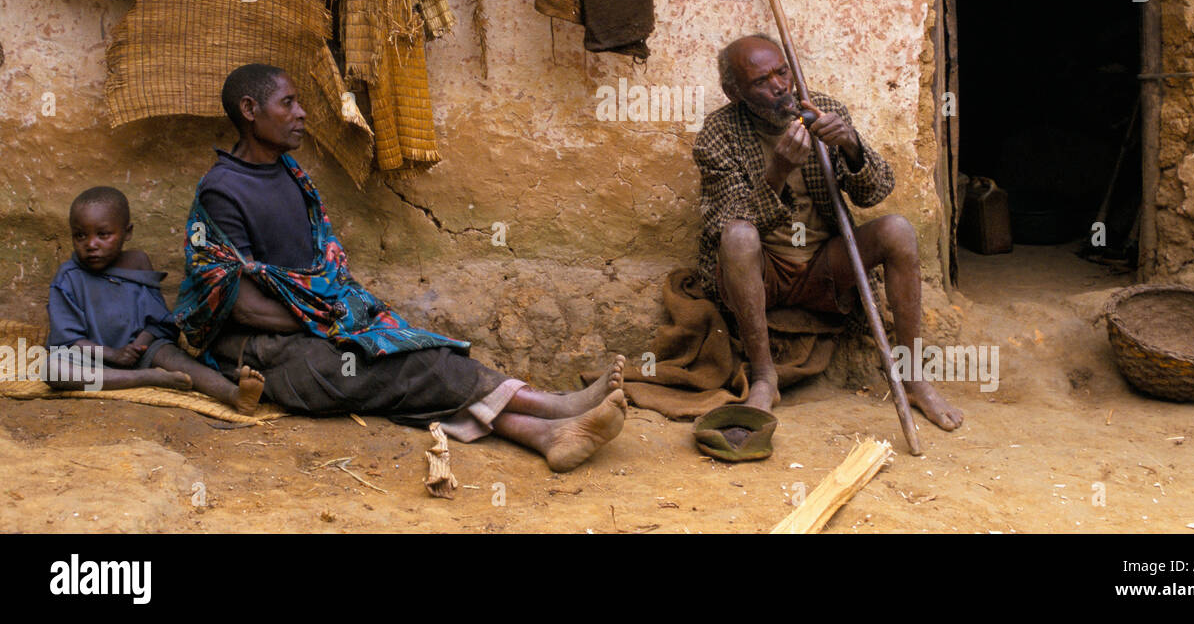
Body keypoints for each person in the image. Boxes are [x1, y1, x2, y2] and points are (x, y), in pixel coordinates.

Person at [176, 64, 626, 472]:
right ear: (250, 109)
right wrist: (333, 322)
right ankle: (553, 406)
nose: (302, 113)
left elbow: (319, 274)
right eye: (288, 102)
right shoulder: (222, 192)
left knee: (409, 357)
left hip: (313, 333)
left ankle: (546, 434)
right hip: (266, 355)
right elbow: (243, 309)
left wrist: (342, 318)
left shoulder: (290, 173)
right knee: (407, 369)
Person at [694, 34, 963, 429]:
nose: (780, 86)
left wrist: (852, 146)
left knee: (899, 230)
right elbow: (728, 223)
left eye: (782, 72)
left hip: (824, 266)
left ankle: (912, 377)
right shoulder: (718, 134)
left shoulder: (824, 110)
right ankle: (765, 378)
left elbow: (876, 192)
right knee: (737, 238)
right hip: (763, 270)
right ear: (734, 93)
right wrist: (778, 172)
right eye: (761, 82)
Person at [46, 186, 266, 412]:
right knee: (52, 370)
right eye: (80, 235)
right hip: (92, 359)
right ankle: (146, 378)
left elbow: (158, 319)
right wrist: (113, 354)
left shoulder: (138, 262)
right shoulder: (68, 277)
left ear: (127, 232)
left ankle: (233, 394)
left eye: (103, 235)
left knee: (176, 359)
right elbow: (69, 340)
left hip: (140, 351)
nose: (91, 244)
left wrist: (139, 345)